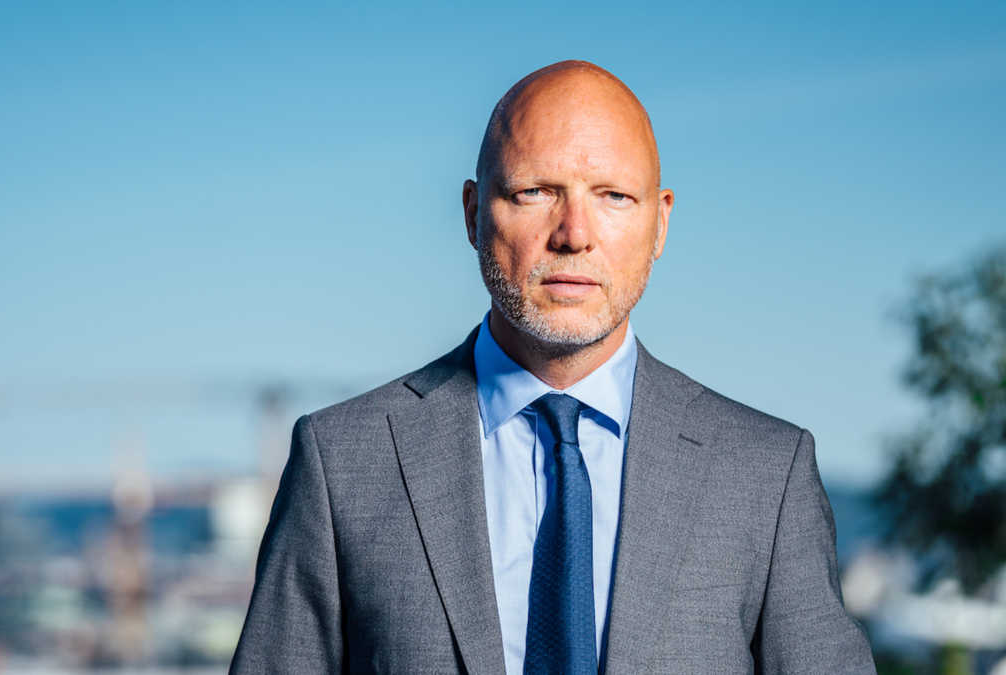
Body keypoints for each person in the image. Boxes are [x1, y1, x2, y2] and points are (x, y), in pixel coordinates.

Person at [230, 61, 875, 675]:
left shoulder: (767, 473)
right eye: (535, 192)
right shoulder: (342, 461)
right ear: (473, 213)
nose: (574, 233)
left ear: (659, 224)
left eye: (614, 196)